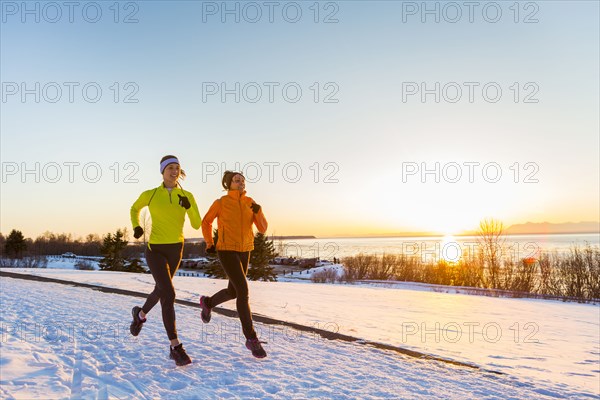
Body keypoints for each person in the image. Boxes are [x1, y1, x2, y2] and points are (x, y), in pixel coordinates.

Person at [129, 155, 201, 366]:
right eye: (170, 167)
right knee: (169, 293)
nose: (174, 171)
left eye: (177, 167)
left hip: (176, 250)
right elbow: (134, 208)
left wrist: (189, 206)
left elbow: (196, 224)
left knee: (161, 289)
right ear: (162, 171)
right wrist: (136, 226)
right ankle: (175, 346)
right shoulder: (151, 194)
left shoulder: (186, 195)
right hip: (155, 250)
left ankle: (140, 315)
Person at [199, 171, 268, 358]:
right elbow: (206, 222)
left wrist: (258, 211)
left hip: (245, 250)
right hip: (226, 250)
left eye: (243, 181)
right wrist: (209, 243)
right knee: (243, 291)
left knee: (234, 291)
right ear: (228, 184)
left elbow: (262, 228)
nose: (241, 183)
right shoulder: (221, 202)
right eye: (237, 180)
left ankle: (208, 302)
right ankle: (251, 338)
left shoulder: (250, 203)